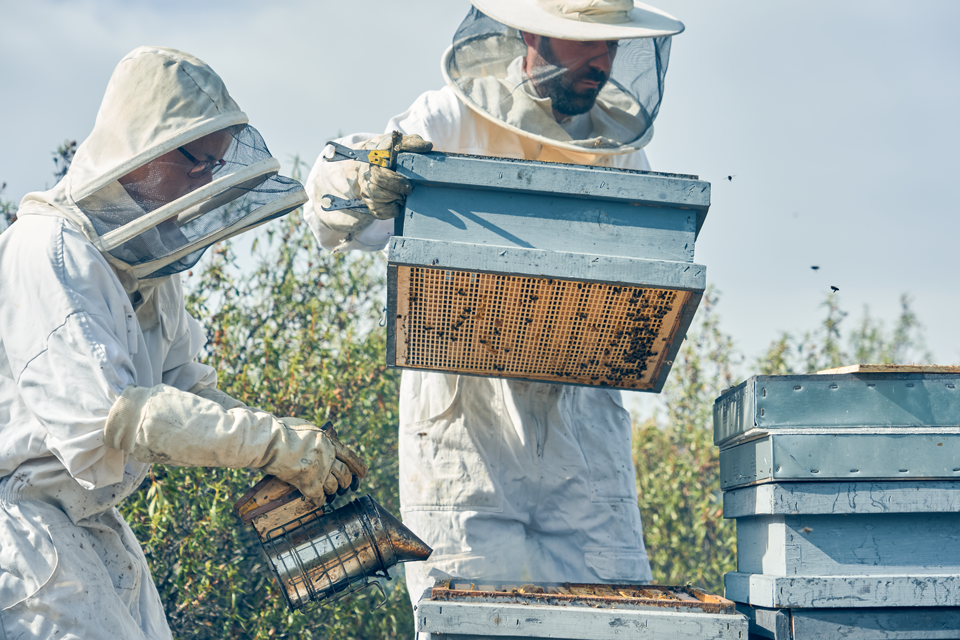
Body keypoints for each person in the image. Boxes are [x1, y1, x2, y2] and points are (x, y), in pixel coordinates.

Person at [303, 0, 685, 611]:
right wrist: (365, 181)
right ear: (535, 35)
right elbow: (324, 209)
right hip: (465, 436)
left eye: (612, 46)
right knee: (471, 620)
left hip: (582, 432)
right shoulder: (451, 116)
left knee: (615, 620)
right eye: (586, 44)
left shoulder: (616, 145)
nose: (603, 62)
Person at [0, 46, 367, 639]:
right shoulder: (50, 250)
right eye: (195, 161)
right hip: (22, 537)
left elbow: (182, 392)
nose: (205, 183)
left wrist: (291, 439)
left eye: (214, 167)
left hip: (87, 532)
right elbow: (117, 419)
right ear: (137, 149)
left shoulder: (144, 269)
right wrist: (270, 444)